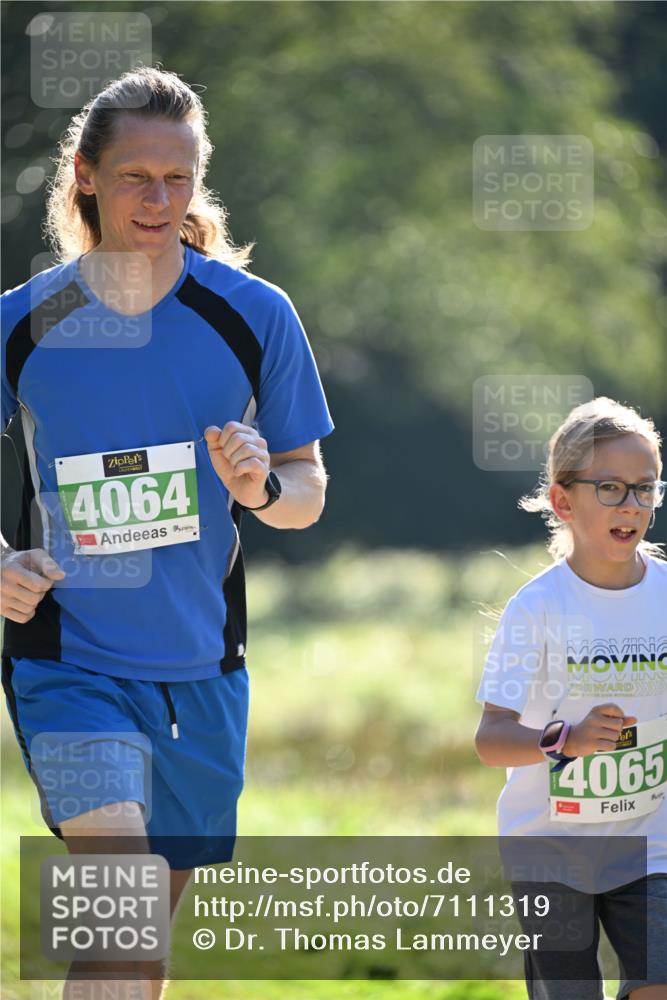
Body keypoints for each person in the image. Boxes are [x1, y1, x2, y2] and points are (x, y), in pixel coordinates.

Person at [1, 66, 334, 998]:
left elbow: (307, 488)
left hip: (199, 668)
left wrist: (261, 485)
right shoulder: (24, 323)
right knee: (121, 917)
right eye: (137, 175)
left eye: (177, 177)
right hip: (67, 662)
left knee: (139, 950)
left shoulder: (251, 314)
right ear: (86, 176)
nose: (158, 197)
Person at [475, 397, 666, 1000]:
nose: (632, 505)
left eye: (645, 488)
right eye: (609, 488)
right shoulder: (536, 609)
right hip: (550, 854)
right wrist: (567, 740)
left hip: (650, 844)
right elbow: (490, 740)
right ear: (563, 501)